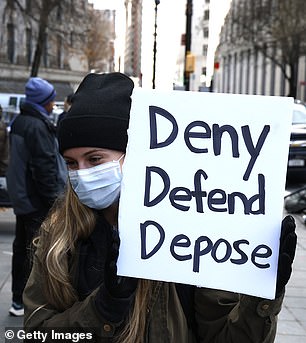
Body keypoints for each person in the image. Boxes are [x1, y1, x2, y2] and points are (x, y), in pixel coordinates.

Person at [23, 72, 297, 342]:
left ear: (134, 155)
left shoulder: (190, 238)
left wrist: (261, 300)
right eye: (71, 163)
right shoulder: (58, 235)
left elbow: (226, 336)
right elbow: (35, 332)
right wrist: (101, 310)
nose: (82, 173)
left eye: (95, 159)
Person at [6, 77, 67, 317]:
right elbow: (44, 167)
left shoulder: (22, 121)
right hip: (36, 201)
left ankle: (17, 300)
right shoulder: (36, 125)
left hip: (24, 198)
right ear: (44, 101)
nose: (54, 103)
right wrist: (54, 200)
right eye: (51, 99)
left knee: (22, 248)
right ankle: (31, 302)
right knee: (36, 251)